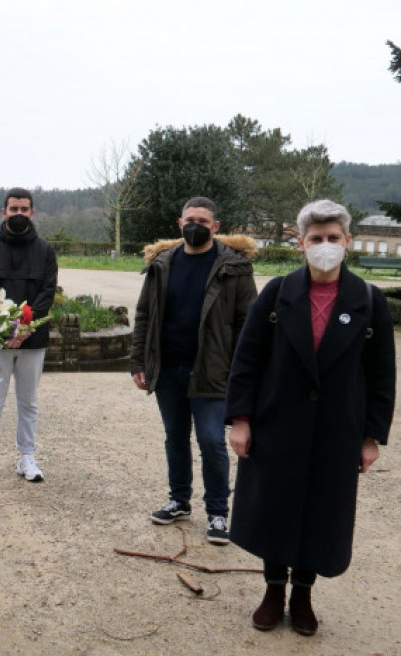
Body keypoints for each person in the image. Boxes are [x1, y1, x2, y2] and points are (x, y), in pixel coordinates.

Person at [225, 199, 395, 636]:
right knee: (275, 509)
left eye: (332, 238)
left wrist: (372, 436)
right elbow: (247, 359)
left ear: (348, 242)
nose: (324, 246)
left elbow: (381, 375)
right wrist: (240, 419)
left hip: (337, 430)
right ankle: (273, 590)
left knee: (321, 513)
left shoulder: (369, 301)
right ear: (301, 244)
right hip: (277, 423)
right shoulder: (277, 293)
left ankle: (303, 595)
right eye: (316, 239)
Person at [130, 197, 257, 544]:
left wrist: (240, 373)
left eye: (203, 220)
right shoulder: (162, 265)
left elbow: (249, 325)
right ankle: (179, 500)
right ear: (179, 223)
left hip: (213, 370)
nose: (195, 225)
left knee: (212, 441)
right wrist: (138, 362)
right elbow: (144, 315)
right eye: (190, 219)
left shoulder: (234, 267)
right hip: (168, 367)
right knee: (175, 438)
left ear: (216, 227)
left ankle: (218, 513)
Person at [0, 188, 58, 484]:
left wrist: (24, 329)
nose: (19, 214)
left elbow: (47, 292)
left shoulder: (45, 250)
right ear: (3, 212)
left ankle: (26, 457)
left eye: (24, 209)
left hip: (32, 341)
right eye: (13, 209)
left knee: (28, 402)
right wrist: (7, 328)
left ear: (32, 213)